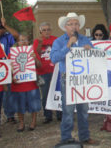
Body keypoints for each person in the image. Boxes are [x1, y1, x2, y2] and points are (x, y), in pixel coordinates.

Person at [50, 12, 98, 145]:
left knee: (83, 110)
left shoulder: (85, 40)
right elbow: (54, 59)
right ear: (65, 27)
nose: (74, 26)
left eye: (76, 24)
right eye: (71, 24)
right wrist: (68, 46)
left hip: (83, 80)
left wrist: (91, 51)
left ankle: (84, 137)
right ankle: (66, 138)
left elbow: (95, 58)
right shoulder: (59, 41)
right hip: (68, 80)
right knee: (68, 111)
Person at [11, 34, 42, 132]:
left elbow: (39, 65)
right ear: (18, 42)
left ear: (29, 42)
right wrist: (12, 76)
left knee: (34, 104)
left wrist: (35, 58)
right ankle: (21, 123)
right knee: (19, 105)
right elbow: (8, 68)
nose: (23, 42)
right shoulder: (12, 53)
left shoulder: (32, 52)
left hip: (31, 84)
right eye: (21, 40)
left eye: (25, 40)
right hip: (18, 85)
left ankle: (33, 122)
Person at [0, 18, 19, 123]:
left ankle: (10, 114)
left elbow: (17, 36)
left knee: (8, 93)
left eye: (0, 28)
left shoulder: (7, 37)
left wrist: (6, 25)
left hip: (5, 70)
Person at [33, 22, 61, 124]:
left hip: (56, 71)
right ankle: (47, 116)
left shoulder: (56, 39)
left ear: (51, 30)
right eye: (44, 30)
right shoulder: (37, 41)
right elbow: (37, 54)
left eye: (48, 29)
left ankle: (60, 114)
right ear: (40, 31)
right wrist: (40, 44)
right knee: (45, 94)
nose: (46, 32)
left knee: (58, 92)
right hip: (43, 72)